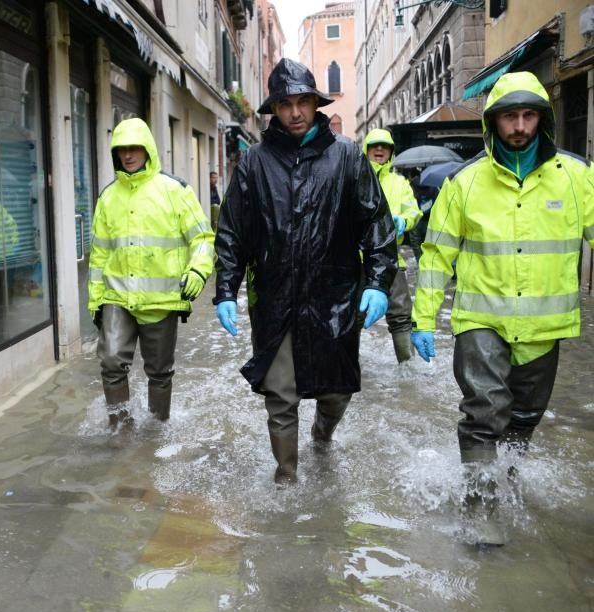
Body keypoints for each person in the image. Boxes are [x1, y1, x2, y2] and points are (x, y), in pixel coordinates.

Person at [410, 71, 594, 543]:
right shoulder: (464, 182)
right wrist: (423, 319)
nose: (518, 126)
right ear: (493, 122)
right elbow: (435, 254)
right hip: (481, 321)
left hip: (545, 326)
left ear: (542, 119)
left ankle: (506, 482)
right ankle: (481, 508)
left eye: (528, 115)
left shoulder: (577, 178)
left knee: (524, 420)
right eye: (510, 116)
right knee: (483, 412)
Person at [213, 58, 396, 484]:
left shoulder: (348, 157)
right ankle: (286, 477)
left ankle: (323, 432)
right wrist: (225, 290)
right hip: (275, 299)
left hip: (333, 296)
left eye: (302, 102)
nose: (294, 112)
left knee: (337, 389)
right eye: (284, 104)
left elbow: (377, 226)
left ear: (315, 105)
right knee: (280, 392)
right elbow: (232, 233)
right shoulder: (255, 164)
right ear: (273, 111)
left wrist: (377, 282)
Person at [88, 117, 216, 430]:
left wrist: (198, 272)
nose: (128, 155)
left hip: (162, 299)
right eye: (121, 150)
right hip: (117, 295)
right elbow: (99, 254)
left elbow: (202, 239)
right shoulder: (107, 197)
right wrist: (95, 303)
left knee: (159, 371)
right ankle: (121, 429)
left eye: (134, 148)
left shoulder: (175, 191)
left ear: (147, 149)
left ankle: (158, 431)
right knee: (111, 362)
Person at [362, 129, 422, 363]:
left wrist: (403, 221)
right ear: (365, 150)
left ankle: (407, 368)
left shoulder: (400, 183)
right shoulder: (353, 179)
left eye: (384, 146)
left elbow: (414, 212)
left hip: (392, 259)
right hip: (356, 260)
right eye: (374, 146)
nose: (379, 150)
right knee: (349, 317)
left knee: (401, 316)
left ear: (391, 152)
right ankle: (348, 371)